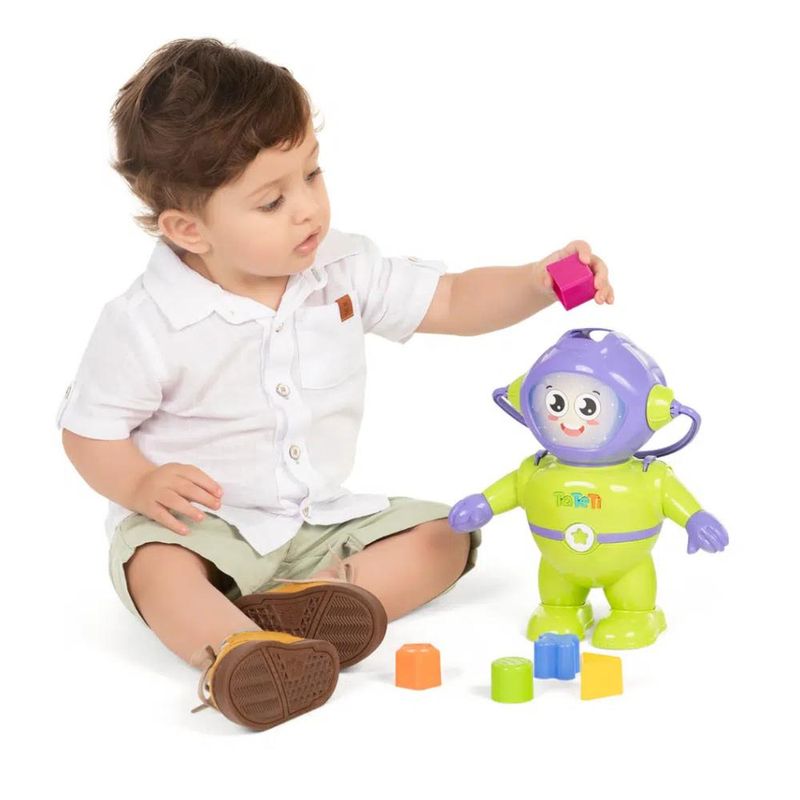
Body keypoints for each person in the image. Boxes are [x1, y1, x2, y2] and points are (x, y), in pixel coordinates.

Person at [57, 37, 614, 731]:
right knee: (156, 569)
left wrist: (537, 283)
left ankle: (307, 603)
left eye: (312, 174)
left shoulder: (342, 267)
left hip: (316, 523)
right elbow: (88, 431)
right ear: (188, 229)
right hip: (201, 532)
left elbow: (450, 300)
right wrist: (140, 483)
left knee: (446, 533)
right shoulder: (145, 323)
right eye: (272, 201)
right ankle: (236, 651)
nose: (308, 209)